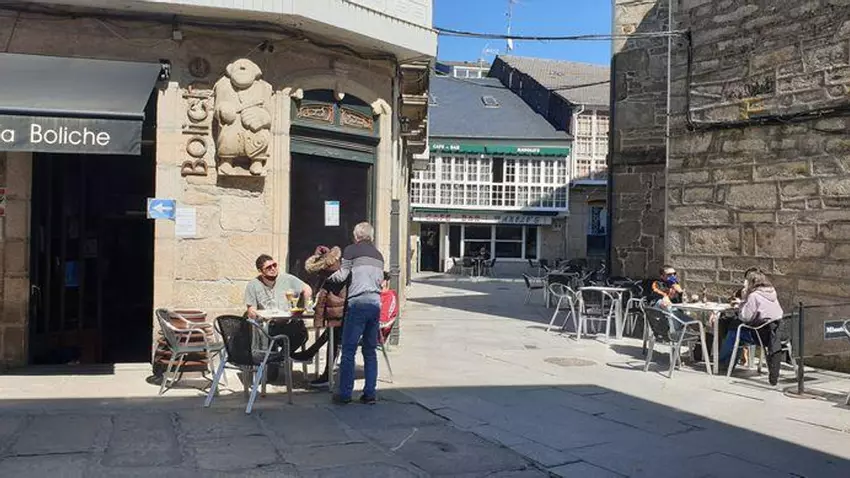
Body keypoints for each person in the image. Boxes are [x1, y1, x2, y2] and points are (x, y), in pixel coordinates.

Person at [327, 222, 384, 405]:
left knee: (348, 350)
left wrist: (326, 275)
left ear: (356, 236)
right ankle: (370, 394)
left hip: (358, 303)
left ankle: (345, 394)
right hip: (375, 303)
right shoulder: (379, 255)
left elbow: (342, 275)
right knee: (370, 350)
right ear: (371, 236)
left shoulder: (351, 250)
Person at [291, 245, 347, 388]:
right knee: (331, 334)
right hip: (341, 311)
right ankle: (311, 354)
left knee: (333, 336)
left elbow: (321, 270)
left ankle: (324, 372)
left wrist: (319, 258)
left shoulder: (334, 274)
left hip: (342, 312)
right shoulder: (336, 269)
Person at [244, 254, 313, 360]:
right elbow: (251, 310)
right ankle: (278, 359)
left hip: (287, 323)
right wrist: (261, 315)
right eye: (268, 267)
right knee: (266, 336)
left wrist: (305, 306)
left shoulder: (287, 278)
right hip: (268, 326)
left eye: (274, 265)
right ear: (260, 271)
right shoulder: (253, 285)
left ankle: (280, 357)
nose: (273, 269)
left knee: (302, 334)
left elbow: (307, 289)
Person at [719, 271, 784, 382]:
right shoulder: (772, 292)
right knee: (735, 328)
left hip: (761, 335)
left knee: (733, 331)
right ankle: (729, 362)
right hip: (776, 333)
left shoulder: (754, 296)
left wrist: (742, 302)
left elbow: (745, 317)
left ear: (752, 282)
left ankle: (724, 362)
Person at [379, 271, 399, 343]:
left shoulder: (390, 295)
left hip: (381, 325)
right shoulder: (375, 294)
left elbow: (386, 315)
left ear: (385, 282)